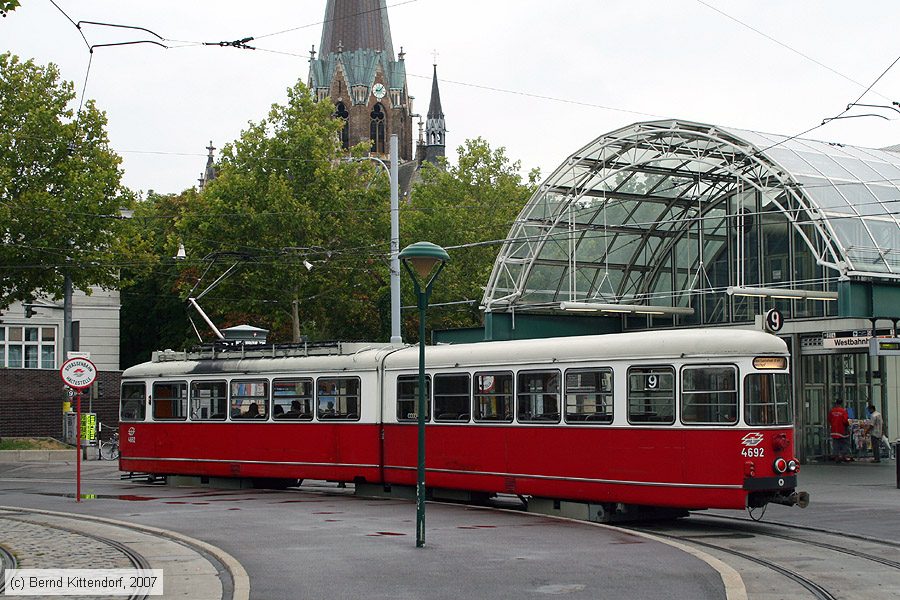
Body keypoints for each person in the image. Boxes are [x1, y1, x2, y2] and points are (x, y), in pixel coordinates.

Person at [828, 398, 851, 462]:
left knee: (836, 444)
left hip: (834, 430)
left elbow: (829, 419)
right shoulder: (843, 411)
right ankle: (843, 455)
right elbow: (845, 421)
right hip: (842, 430)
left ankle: (836, 457)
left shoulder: (832, 411)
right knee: (845, 443)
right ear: (841, 403)